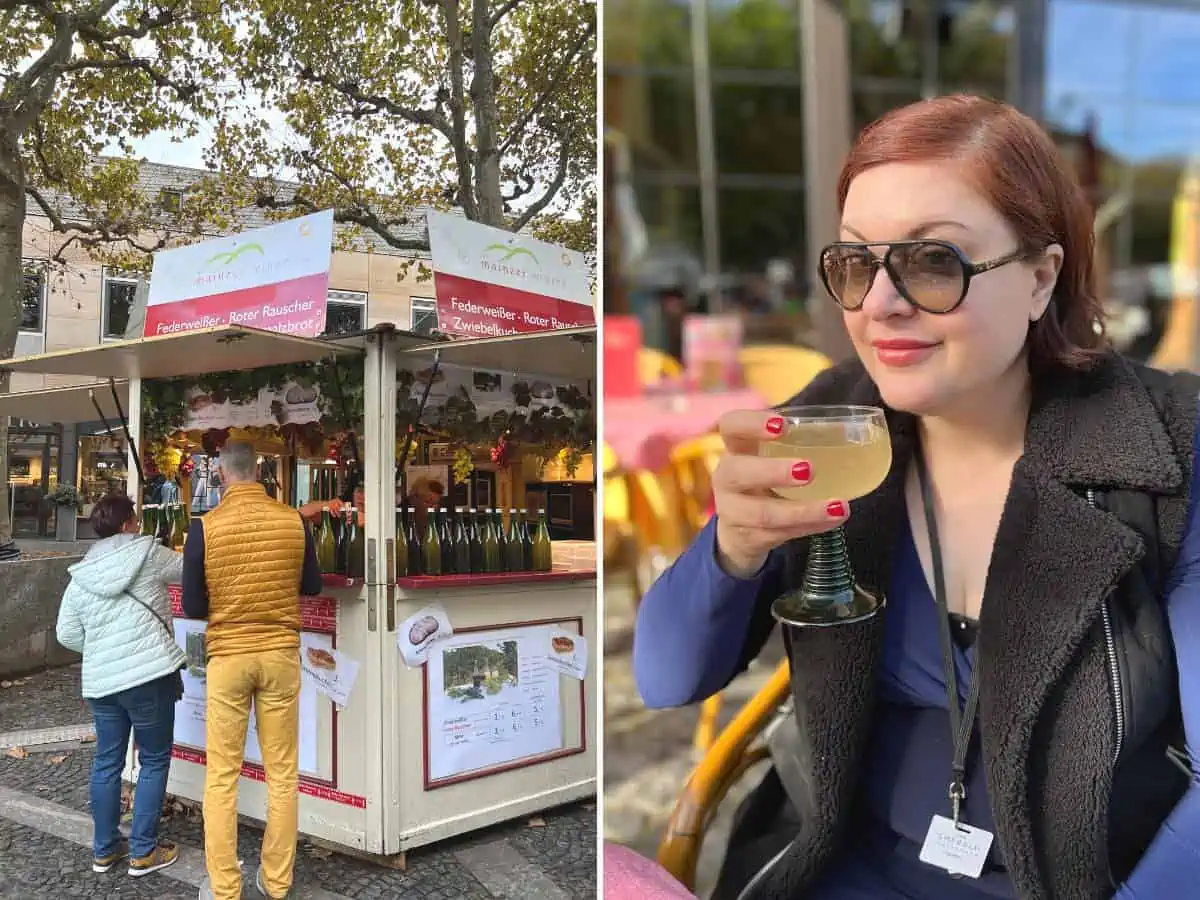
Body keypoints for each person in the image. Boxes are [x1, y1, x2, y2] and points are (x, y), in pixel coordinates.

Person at [634, 94, 1200, 900]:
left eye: (936, 261)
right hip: (840, 869)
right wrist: (731, 550)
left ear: (1042, 277)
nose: (880, 304)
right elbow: (663, 679)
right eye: (858, 263)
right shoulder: (831, 432)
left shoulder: (1166, 447)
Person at [182, 441, 322, 900]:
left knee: (222, 775)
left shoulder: (204, 527)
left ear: (221, 475)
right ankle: (276, 883)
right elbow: (312, 585)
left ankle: (225, 888)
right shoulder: (294, 520)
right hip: (280, 653)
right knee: (283, 772)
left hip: (229, 657)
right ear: (258, 470)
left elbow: (196, 605)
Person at [55, 493, 184, 879]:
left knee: (107, 761)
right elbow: (191, 570)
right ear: (129, 523)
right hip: (149, 676)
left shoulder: (82, 573)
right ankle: (144, 851)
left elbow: (66, 633)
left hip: (102, 683)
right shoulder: (149, 554)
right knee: (154, 759)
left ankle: (105, 849)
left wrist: (100, 650)